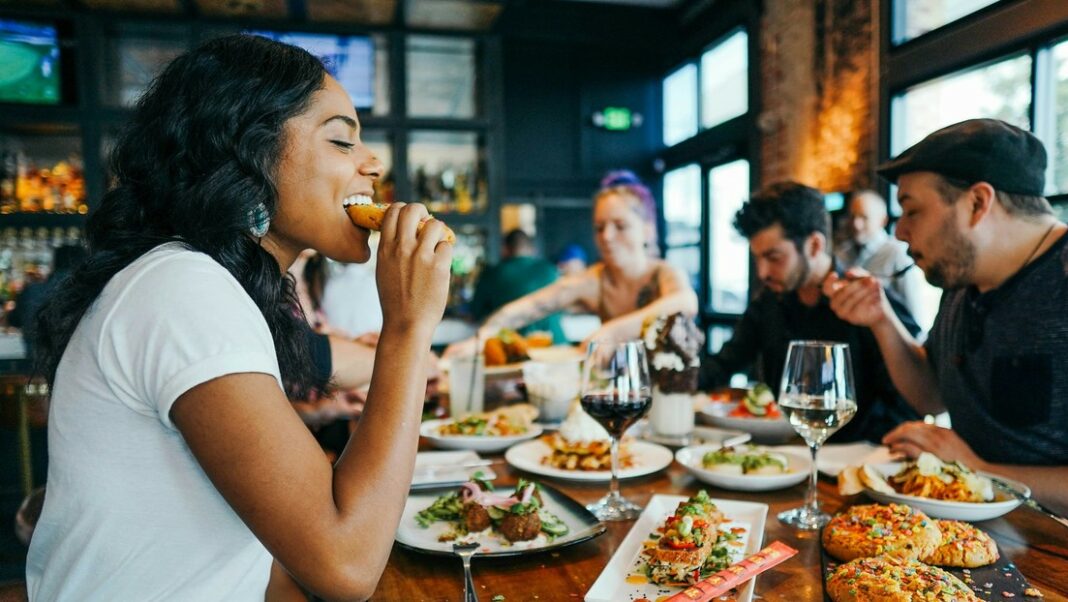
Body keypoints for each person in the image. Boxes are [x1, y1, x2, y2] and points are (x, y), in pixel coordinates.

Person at [25, 34, 452, 600]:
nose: (374, 163)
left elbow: (241, 556)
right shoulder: (182, 289)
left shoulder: (213, 285)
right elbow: (346, 565)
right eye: (342, 141)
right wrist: (407, 329)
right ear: (249, 152)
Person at [824, 118, 1068, 514]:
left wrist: (979, 469)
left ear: (977, 203)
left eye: (912, 211)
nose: (900, 232)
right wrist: (881, 319)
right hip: (976, 530)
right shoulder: (962, 282)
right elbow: (931, 393)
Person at [700, 181, 921, 443]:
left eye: (774, 257)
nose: (762, 273)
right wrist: (671, 372)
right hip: (782, 456)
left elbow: (910, 404)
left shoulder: (868, 302)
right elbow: (724, 364)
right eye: (757, 258)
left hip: (852, 465)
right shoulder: (769, 302)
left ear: (815, 245)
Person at [444, 170, 697, 356]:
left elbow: (685, 302)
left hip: (673, 399)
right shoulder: (595, 280)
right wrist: (480, 339)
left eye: (620, 226)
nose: (606, 236)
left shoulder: (663, 273)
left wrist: (611, 332)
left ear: (648, 230)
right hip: (622, 396)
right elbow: (530, 307)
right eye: (599, 227)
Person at [835, 190, 930, 330]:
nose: (856, 224)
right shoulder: (842, 253)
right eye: (853, 216)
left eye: (864, 217)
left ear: (883, 220)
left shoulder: (898, 253)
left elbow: (914, 312)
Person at [469, 228, 565, 343]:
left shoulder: (492, 273)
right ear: (531, 248)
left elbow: (475, 312)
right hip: (557, 345)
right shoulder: (551, 270)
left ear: (505, 249)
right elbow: (563, 308)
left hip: (515, 348)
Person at [8, 244, 87, 359]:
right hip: (77, 367)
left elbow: (13, 320)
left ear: (54, 263)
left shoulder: (31, 290)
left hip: (34, 367)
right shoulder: (88, 293)